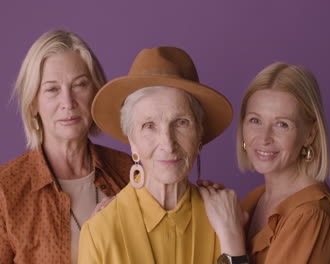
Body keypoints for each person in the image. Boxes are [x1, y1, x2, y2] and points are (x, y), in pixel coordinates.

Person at [78, 46, 245, 264]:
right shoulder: (99, 232)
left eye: (181, 122)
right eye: (149, 126)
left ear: (199, 135)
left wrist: (233, 242)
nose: (168, 143)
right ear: (132, 141)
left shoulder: (227, 221)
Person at [0, 30, 132, 264]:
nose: (68, 103)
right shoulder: (6, 189)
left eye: (79, 84)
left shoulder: (129, 173)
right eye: (52, 89)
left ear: (96, 93)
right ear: (33, 103)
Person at [200, 62, 330, 263]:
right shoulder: (254, 200)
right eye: (255, 120)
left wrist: (231, 238)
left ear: (310, 134)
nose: (264, 138)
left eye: (282, 124)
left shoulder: (312, 217)